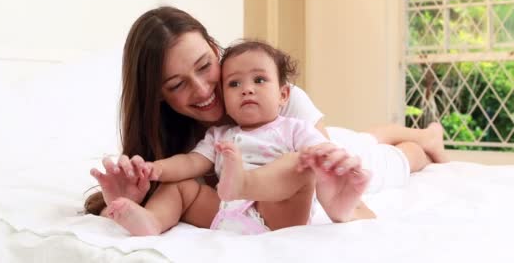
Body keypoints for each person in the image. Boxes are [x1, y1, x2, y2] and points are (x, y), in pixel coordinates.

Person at [85, 6, 449, 231]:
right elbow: (173, 186)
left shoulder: (273, 99)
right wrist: (126, 199)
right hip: (276, 182)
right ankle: (422, 136)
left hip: (338, 152)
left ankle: (427, 139)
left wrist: (349, 209)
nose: (201, 90)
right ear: (158, 97)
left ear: (215, 48)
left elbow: (328, 180)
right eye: (178, 84)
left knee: (388, 153)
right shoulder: (181, 135)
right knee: (366, 135)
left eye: (204, 66)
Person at [97, 40, 373, 235]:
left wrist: (330, 160)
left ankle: (244, 182)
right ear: (223, 95)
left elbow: (323, 153)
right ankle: (152, 222)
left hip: (277, 214)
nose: (247, 90)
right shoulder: (220, 134)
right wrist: (156, 168)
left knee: (300, 163)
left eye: (259, 80)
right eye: (234, 84)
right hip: (224, 211)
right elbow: (192, 162)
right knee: (181, 185)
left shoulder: (294, 128)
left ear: (283, 95)